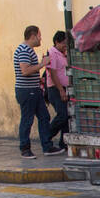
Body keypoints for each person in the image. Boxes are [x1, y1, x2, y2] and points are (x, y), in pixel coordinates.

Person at [14, 25, 61, 159]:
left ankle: (47, 146)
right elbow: (25, 71)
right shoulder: (23, 50)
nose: (41, 39)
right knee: (27, 119)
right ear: (33, 36)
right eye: (39, 36)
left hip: (34, 89)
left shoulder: (28, 50)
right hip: (26, 90)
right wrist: (42, 64)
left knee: (44, 117)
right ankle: (25, 148)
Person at [42, 31, 71, 150]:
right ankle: (46, 135)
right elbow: (52, 73)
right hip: (55, 89)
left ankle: (63, 143)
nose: (65, 46)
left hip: (64, 88)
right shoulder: (52, 53)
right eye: (63, 44)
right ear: (56, 42)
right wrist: (61, 90)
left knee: (67, 116)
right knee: (62, 115)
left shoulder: (62, 53)